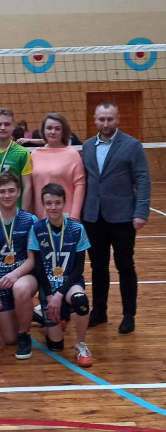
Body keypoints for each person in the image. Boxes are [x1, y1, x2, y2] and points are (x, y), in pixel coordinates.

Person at [82, 102, 150, 334]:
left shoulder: (132, 145)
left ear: (117, 119)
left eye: (110, 119)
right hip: (93, 217)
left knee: (125, 265)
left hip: (122, 217)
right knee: (98, 266)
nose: (105, 123)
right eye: (101, 119)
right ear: (95, 119)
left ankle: (129, 315)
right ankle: (99, 311)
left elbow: (143, 179)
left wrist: (140, 212)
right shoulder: (87, 146)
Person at [28, 183, 93, 368]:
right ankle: (52, 318)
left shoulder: (76, 229)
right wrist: (50, 295)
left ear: (64, 203)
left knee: (81, 300)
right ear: (43, 205)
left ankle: (81, 345)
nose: (53, 207)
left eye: (57, 202)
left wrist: (59, 294)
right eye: (49, 203)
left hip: (70, 283)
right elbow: (39, 267)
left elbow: (78, 268)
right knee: (56, 346)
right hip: (48, 285)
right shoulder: (37, 229)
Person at [0, 172, 38, 359]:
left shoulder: (30, 220)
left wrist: (15, 275)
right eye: (2, 191)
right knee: (8, 339)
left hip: (23, 276)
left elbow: (32, 259)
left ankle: (24, 335)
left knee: (20, 288)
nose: (7, 195)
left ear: (18, 192)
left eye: (11, 191)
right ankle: (29, 314)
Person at [30, 113, 85, 221]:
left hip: (65, 216)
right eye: (49, 128)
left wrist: (74, 215)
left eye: (57, 128)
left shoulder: (72, 154)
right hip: (40, 216)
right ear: (43, 130)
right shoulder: (35, 154)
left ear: (63, 131)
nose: (53, 131)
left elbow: (80, 185)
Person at [0, 107, 32, 216]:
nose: (3, 127)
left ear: (13, 126)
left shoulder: (23, 153)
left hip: (15, 212)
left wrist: (24, 215)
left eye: (7, 124)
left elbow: (27, 186)